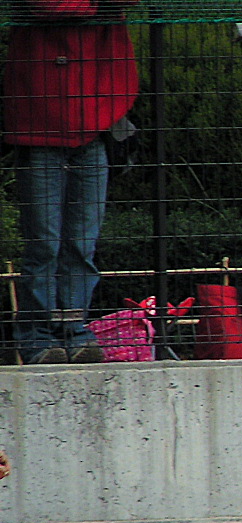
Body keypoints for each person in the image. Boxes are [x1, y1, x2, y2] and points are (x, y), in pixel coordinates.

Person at [3, 0, 140, 365]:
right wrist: (100, 6)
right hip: (41, 123)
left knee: (81, 243)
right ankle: (37, 337)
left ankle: (73, 329)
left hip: (90, 125)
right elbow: (46, 5)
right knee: (45, 244)